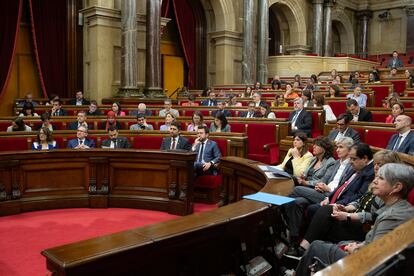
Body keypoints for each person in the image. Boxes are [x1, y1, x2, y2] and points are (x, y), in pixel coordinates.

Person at [295, 163, 414, 276]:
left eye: (381, 178)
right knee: (334, 239)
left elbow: (375, 260)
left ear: (397, 187)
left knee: (316, 246)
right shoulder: (398, 207)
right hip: (364, 249)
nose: (374, 181)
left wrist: (356, 251)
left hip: (362, 266)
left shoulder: (393, 216)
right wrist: (359, 245)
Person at [295, 150, 401, 256]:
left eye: (380, 165)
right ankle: (305, 250)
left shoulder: (388, 189)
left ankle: (304, 249)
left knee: (324, 214)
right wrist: (346, 208)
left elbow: (375, 216)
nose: (376, 167)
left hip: (363, 227)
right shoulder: (376, 181)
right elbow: (360, 201)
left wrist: (348, 215)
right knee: (328, 210)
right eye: (375, 164)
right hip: (354, 218)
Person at [283, 137, 336, 252]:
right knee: (297, 202)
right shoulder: (314, 159)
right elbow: (306, 174)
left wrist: (306, 182)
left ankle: (281, 217)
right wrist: (303, 177)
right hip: (306, 191)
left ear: (324, 148)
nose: (314, 147)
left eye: (316, 145)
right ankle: (294, 237)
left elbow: (324, 181)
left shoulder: (331, 162)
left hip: (319, 192)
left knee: (295, 190)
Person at [306, 143, 375, 220]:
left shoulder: (370, 173)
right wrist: (328, 198)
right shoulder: (356, 167)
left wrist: (336, 204)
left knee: (312, 208)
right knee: (302, 203)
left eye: (354, 159)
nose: (350, 162)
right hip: (335, 200)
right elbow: (341, 185)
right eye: (350, 158)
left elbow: (359, 196)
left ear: (365, 158)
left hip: (344, 206)